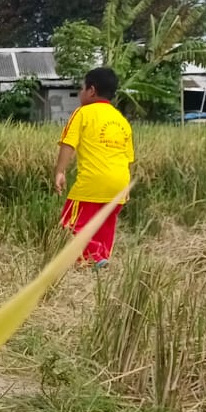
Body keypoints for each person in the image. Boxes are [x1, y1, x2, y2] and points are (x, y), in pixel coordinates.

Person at [54, 66, 134, 266]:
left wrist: (60, 172)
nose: (81, 93)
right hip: (120, 184)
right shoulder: (121, 120)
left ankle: (94, 255)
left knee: (69, 223)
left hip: (92, 183)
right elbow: (128, 157)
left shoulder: (83, 113)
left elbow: (68, 144)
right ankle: (100, 261)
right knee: (105, 225)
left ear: (91, 90)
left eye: (82, 88)